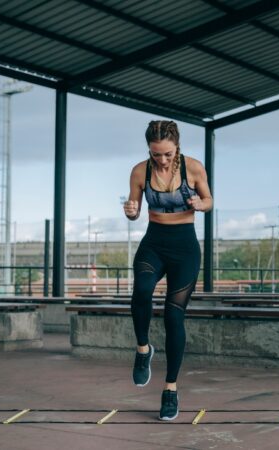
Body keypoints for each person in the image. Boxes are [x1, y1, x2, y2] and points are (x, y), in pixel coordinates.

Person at [122, 120, 213, 421]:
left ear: (177, 147)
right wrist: (132, 212)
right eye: (155, 154)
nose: (161, 160)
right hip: (154, 242)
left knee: (174, 315)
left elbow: (209, 200)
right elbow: (134, 209)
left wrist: (201, 203)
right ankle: (143, 349)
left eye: (167, 154)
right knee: (142, 291)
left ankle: (170, 389)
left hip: (185, 248)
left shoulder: (194, 168)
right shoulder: (139, 172)